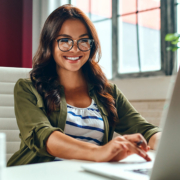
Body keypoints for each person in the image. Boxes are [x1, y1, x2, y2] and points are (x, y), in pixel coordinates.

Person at [7, 4, 160, 166]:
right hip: (37, 173)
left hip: (87, 174)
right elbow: (43, 136)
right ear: (49, 43)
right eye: (65, 41)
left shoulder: (108, 91)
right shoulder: (27, 88)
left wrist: (169, 144)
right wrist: (101, 151)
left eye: (83, 41)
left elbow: (145, 130)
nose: (74, 49)